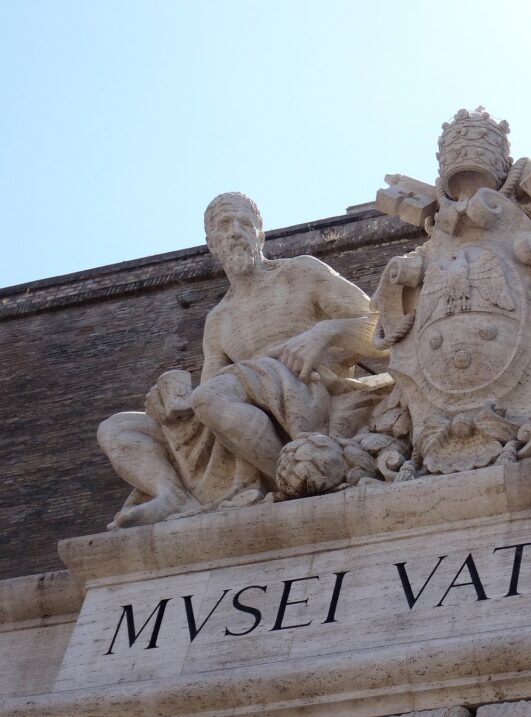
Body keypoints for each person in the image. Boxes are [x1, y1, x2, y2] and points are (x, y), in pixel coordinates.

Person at [98, 192, 387, 528]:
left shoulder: (300, 273)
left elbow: (384, 331)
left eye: (244, 223)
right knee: (118, 428)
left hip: (307, 397)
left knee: (213, 397)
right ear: (211, 243)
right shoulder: (218, 319)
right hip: (238, 413)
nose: (235, 231)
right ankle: (173, 494)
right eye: (224, 225)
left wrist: (323, 334)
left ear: (260, 233)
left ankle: (295, 477)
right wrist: (169, 404)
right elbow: (208, 396)